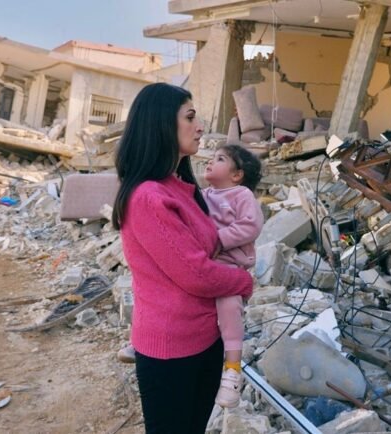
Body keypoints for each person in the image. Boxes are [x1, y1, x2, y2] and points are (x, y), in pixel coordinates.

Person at [112, 83, 253, 433]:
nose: (201, 125)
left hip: (204, 340)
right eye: (190, 117)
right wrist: (244, 281)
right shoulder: (148, 197)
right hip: (171, 350)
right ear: (160, 124)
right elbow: (197, 274)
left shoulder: (182, 189)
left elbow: (213, 246)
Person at [202, 144, 263, 408]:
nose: (209, 161)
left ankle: (232, 369)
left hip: (230, 264)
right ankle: (141, 341)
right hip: (204, 262)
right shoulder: (202, 194)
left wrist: (218, 240)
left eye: (219, 158)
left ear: (237, 175)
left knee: (228, 307)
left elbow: (251, 225)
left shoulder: (241, 195)